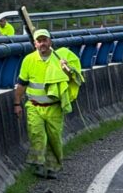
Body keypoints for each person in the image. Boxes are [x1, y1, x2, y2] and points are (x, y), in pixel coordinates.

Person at [13, 29, 84, 178]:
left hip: (54, 107)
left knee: (54, 138)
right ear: (35, 44)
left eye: (45, 40)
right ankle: (38, 164)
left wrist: (67, 69)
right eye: (39, 41)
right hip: (34, 106)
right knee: (36, 134)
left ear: (50, 42)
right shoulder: (29, 60)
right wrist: (17, 103)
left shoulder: (59, 59)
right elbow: (21, 84)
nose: (42, 44)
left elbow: (74, 80)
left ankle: (53, 167)